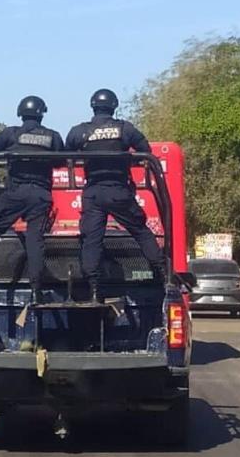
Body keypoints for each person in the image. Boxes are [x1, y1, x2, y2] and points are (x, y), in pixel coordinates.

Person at [66, 88, 166, 303]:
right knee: (140, 231)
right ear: (114, 106)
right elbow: (145, 151)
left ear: (93, 106)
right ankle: (164, 275)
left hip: (93, 192)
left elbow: (66, 154)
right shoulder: (125, 129)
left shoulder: (79, 131)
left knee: (91, 240)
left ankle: (93, 290)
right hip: (119, 190)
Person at [0, 95, 64, 303]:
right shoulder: (53, 136)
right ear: (42, 114)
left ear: (21, 113)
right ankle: (36, 288)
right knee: (35, 240)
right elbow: (60, 159)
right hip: (40, 194)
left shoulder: (11, 133)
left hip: (14, 193)